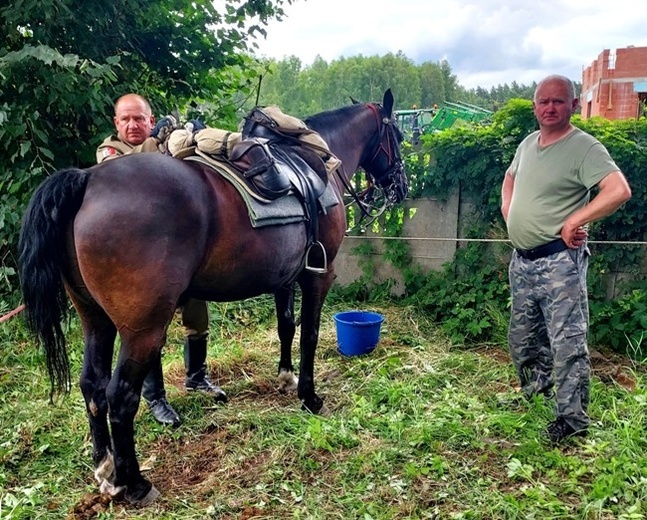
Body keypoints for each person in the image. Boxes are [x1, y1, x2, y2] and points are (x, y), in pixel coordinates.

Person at [500, 75, 632, 443]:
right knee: (523, 340)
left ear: (573, 106)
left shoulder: (584, 148)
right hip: (522, 262)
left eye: (558, 101)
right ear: (535, 106)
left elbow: (618, 189)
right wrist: (508, 209)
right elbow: (510, 179)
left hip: (559, 263)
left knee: (567, 342)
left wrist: (576, 219)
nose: (550, 108)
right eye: (543, 101)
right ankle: (535, 395)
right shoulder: (528, 144)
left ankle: (572, 420)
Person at [96, 93, 227, 427]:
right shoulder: (110, 152)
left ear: (150, 120)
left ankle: (196, 377)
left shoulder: (159, 143)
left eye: (139, 118)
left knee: (197, 314)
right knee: (150, 325)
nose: (132, 125)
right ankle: (156, 397)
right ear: (116, 123)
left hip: (180, 250)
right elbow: (129, 174)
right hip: (140, 259)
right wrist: (157, 143)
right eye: (125, 119)